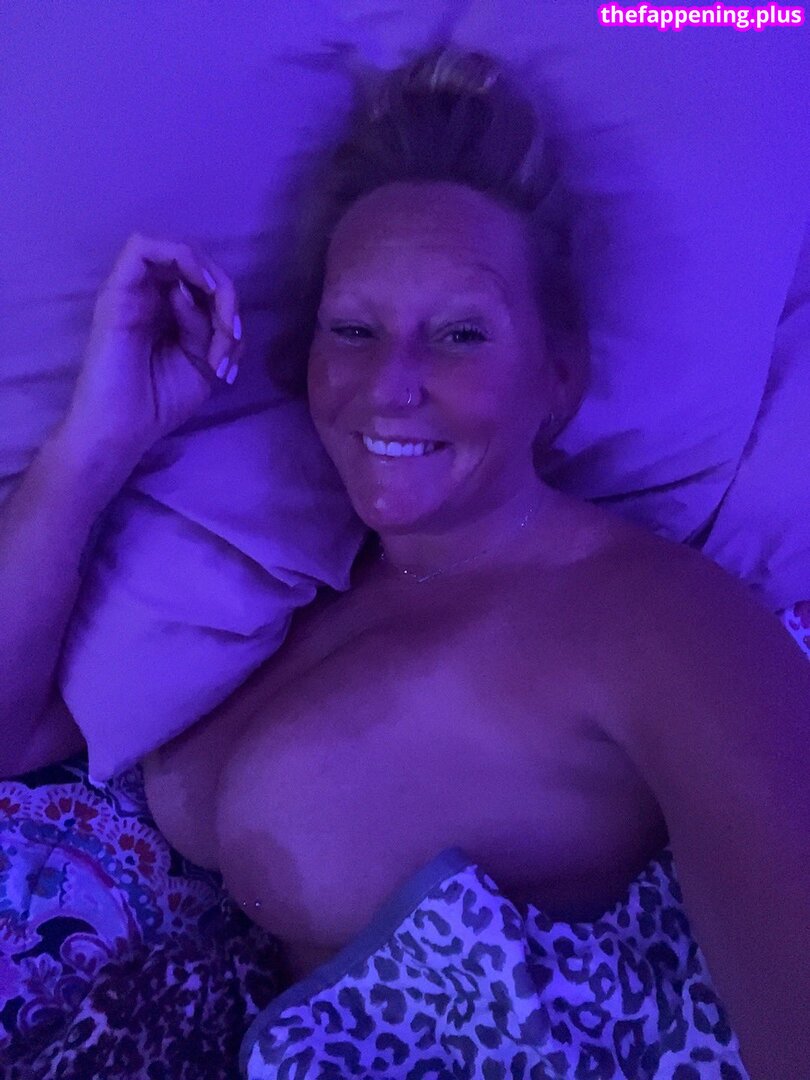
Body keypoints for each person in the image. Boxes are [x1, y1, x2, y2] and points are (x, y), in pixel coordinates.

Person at [1, 47, 808, 1080]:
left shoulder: (655, 620)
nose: (392, 383)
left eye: (462, 334)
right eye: (354, 328)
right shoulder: (275, 586)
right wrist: (95, 441)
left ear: (557, 379)